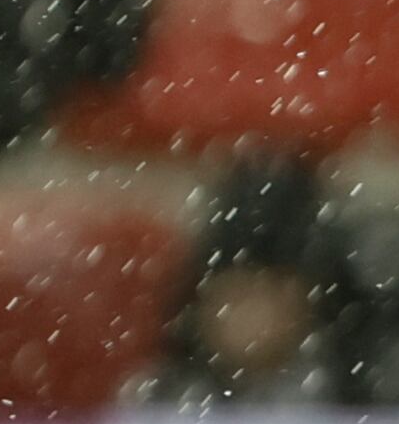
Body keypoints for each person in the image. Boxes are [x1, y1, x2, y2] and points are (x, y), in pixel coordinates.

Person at [137, 151, 348, 409]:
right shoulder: (166, 400)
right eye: (235, 297)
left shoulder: (353, 395)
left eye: (263, 296)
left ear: (303, 300)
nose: (247, 318)